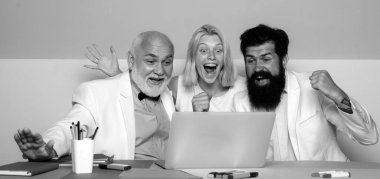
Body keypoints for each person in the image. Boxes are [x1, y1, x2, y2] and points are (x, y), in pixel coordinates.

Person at [14, 31, 176, 161]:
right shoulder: (97, 92)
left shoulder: (167, 94)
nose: (160, 71)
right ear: (132, 61)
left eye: (167, 62)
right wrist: (49, 146)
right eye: (151, 61)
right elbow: (71, 126)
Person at [233, 24, 378, 161]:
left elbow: (369, 137)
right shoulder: (240, 102)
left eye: (266, 59)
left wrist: (338, 96)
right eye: (250, 60)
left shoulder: (312, 88)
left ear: (283, 61)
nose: (258, 68)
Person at [85, 24, 246, 112]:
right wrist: (117, 74)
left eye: (218, 50)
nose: (211, 56)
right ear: (193, 56)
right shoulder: (178, 86)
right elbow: (146, 105)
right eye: (203, 50)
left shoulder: (243, 87)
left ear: (225, 57)